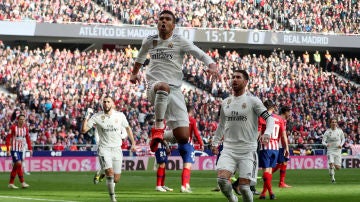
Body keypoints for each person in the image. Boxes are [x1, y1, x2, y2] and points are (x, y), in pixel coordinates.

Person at [130, 10, 218, 155]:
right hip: (155, 87)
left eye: (167, 19)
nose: (163, 21)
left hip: (176, 90)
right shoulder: (149, 40)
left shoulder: (180, 41)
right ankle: (158, 128)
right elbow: (140, 57)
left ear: (173, 25)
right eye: (161, 19)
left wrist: (212, 65)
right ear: (157, 23)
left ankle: (159, 137)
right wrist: (134, 74)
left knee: (183, 136)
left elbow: (199, 53)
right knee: (163, 86)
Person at [211, 69, 275, 202]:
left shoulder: (253, 101)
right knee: (222, 180)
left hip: (247, 150)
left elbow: (270, 119)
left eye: (238, 77)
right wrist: (215, 142)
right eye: (233, 77)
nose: (234, 79)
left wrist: (267, 133)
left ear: (245, 82)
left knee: (245, 188)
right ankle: (232, 199)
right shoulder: (225, 102)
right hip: (228, 149)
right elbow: (222, 125)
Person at [81, 96, 137, 202]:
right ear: (102, 104)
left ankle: (100, 172)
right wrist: (87, 115)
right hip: (104, 149)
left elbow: (128, 128)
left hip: (117, 149)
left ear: (112, 104)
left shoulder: (120, 116)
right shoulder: (97, 117)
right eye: (104, 102)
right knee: (110, 173)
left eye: (108, 102)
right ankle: (112, 199)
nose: (106, 103)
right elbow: (83, 130)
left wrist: (133, 143)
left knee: (116, 179)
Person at [258, 100, 289, 200]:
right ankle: (263, 193)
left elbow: (258, 133)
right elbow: (284, 136)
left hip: (265, 146)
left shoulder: (263, 117)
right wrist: (286, 148)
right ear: (273, 107)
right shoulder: (279, 119)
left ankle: (271, 193)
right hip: (276, 147)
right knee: (270, 171)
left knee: (266, 171)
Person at [6, 114, 32, 189]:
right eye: (20, 119)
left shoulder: (25, 129)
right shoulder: (13, 127)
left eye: (23, 119)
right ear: (18, 120)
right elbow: (8, 139)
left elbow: (28, 139)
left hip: (21, 149)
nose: (22, 120)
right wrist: (8, 149)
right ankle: (22, 182)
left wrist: (30, 149)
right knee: (18, 163)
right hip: (14, 149)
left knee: (18, 165)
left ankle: (12, 183)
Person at [272, 106, 292, 188]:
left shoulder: (281, 119)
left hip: (280, 143)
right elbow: (281, 134)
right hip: (280, 144)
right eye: (289, 112)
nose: (290, 114)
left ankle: (281, 182)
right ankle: (268, 174)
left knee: (283, 162)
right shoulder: (281, 120)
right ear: (285, 112)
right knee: (281, 162)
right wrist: (285, 145)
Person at [322, 118, 345, 183]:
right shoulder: (327, 132)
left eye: (335, 122)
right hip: (330, 150)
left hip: (338, 150)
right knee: (331, 163)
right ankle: (333, 179)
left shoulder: (340, 131)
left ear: (336, 123)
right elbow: (323, 141)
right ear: (330, 123)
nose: (334, 123)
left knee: (338, 168)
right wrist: (326, 145)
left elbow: (343, 139)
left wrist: (341, 144)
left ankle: (331, 167)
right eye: (333, 122)